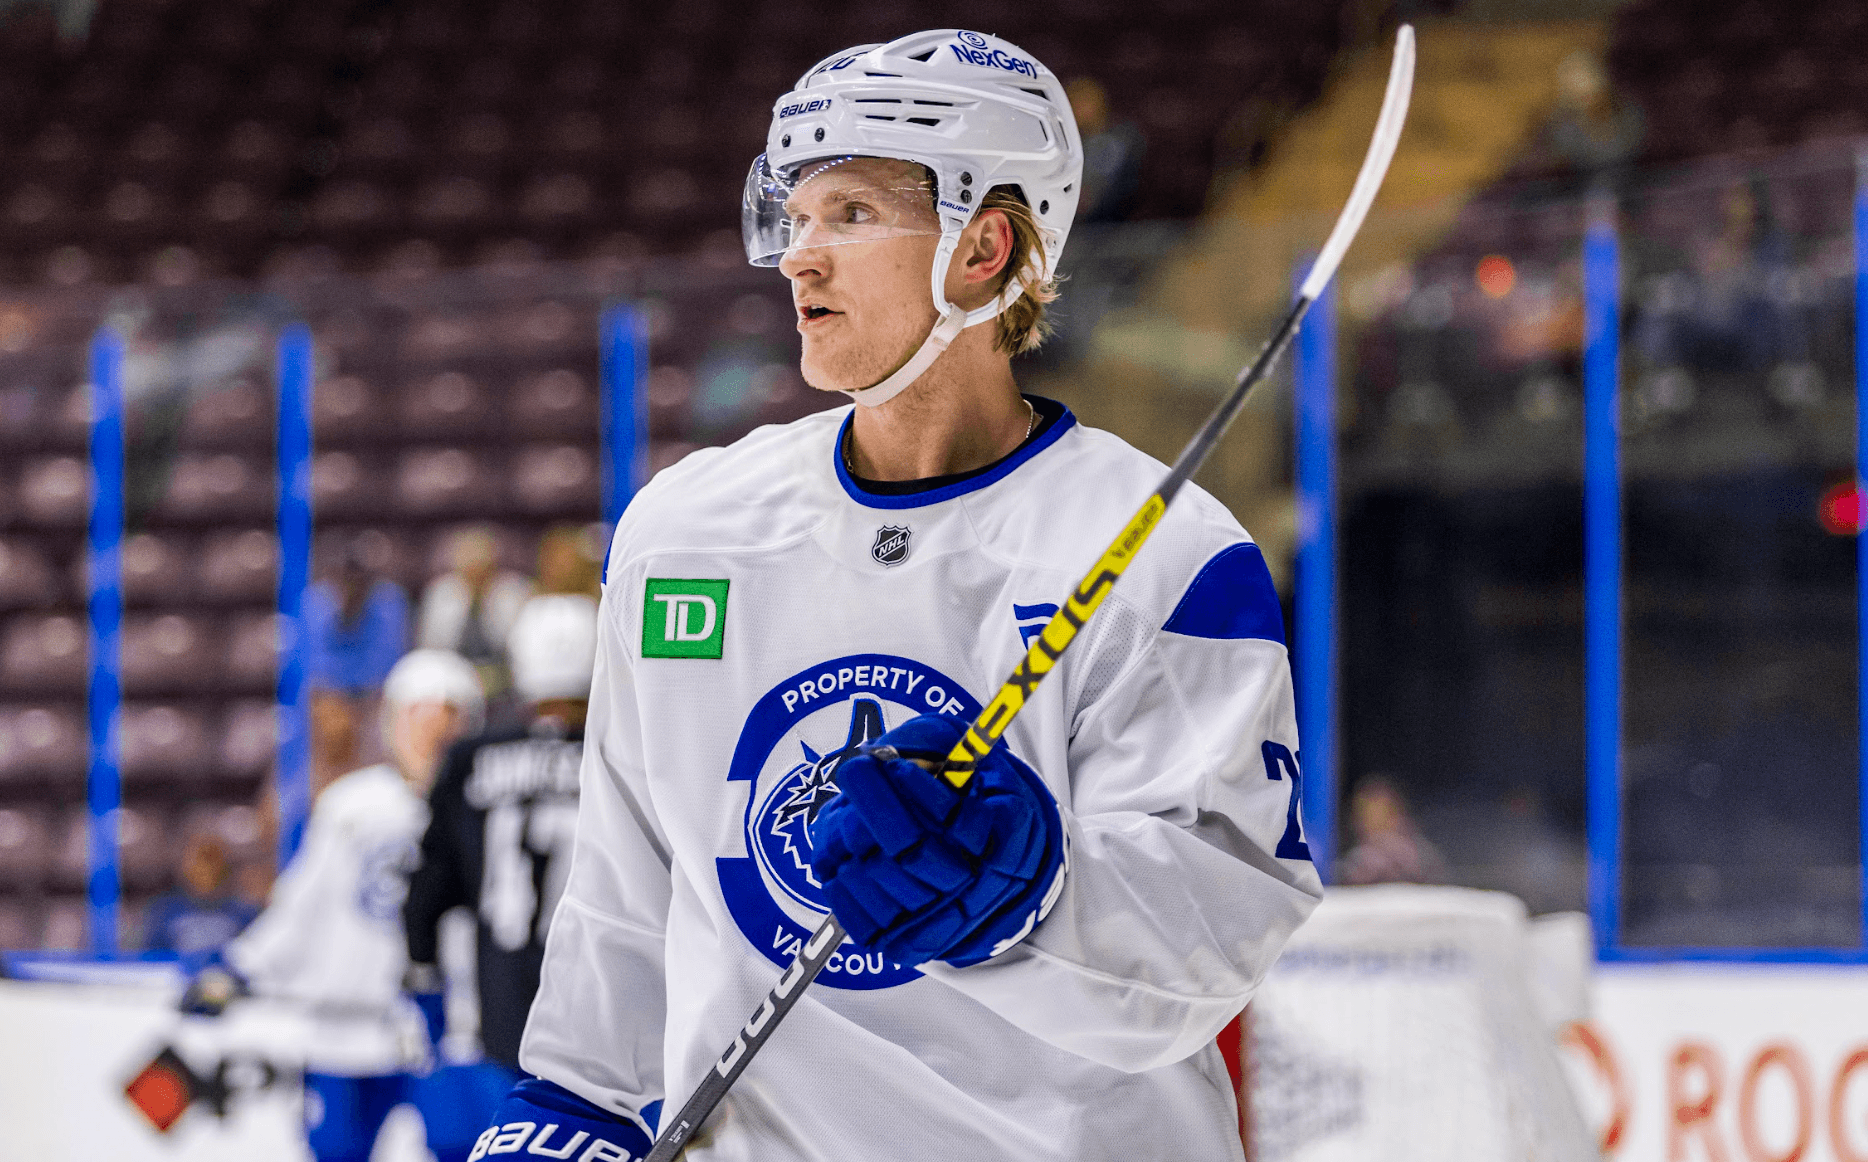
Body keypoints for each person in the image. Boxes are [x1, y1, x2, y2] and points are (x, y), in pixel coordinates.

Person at [475, 30, 1321, 1162]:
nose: (799, 258)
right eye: (795, 216)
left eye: (852, 214)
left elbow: (1215, 939)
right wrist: (572, 1104)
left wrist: (1027, 889)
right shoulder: (685, 531)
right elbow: (628, 883)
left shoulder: (1165, 554)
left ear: (984, 248)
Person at [179, 649, 486, 1162]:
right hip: (343, 1036)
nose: (432, 735)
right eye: (419, 717)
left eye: (447, 719)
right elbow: (301, 909)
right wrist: (239, 968)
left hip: (447, 1033)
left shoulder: (484, 807)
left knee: (460, 1147)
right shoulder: (352, 807)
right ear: (392, 722)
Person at [404, 595, 598, 1088]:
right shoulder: (621, 754)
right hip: (601, 996)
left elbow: (430, 886)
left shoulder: (470, 758)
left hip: (504, 1001)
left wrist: (423, 959)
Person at [418, 525, 533, 691]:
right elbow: (431, 648)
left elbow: (519, 646)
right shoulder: (441, 593)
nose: (476, 573)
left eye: (482, 567)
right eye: (470, 567)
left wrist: (488, 604)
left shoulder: (513, 591)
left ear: (493, 566)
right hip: (454, 676)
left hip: (505, 676)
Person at [141, 833, 258, 967]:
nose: (206, 870)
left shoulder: (244, 914)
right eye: (198, 863)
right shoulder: (164, 911)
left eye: (211, 862)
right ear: (184, 867)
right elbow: (150, 961)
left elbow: (253, 959)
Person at [1337, 774, 1449, 887]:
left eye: (1381, 817)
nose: (1373, 825)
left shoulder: (1421, 856)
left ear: (1397, 816)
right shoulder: (1356, 860)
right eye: (1365, 817)